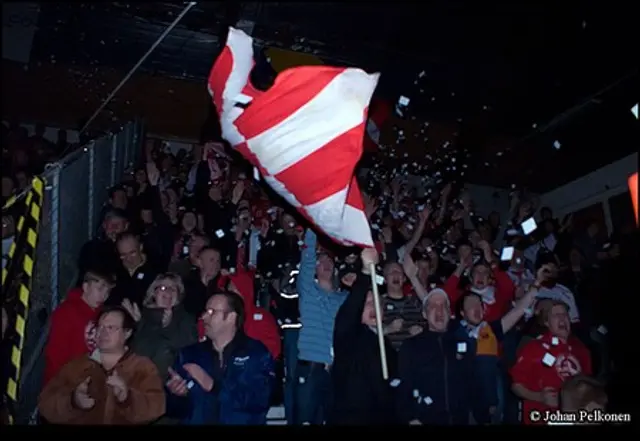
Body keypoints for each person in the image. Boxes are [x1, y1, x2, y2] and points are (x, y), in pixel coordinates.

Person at [38, 306, 165, 424]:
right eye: (100, 327)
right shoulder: (77, 366)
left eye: (111, 328)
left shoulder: (141, 367)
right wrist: (73, 401)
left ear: (127, 333)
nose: (103, 333)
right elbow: (46, 404)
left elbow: (157, 407)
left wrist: (127, 398)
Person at [165, 291, 275, 425]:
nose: (204, 317)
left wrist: (214, 386)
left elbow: (260, 400)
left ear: (231, 317)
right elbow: (175, 412)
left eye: (212, 312)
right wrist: (176, 395)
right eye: (205, 311)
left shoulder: (255, 353)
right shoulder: (189, 355)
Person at [329, 248, 398, 425]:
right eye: (367, 303)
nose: (373, 307)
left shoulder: (388, 347)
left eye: (377, 303)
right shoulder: (348, 335)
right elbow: (351, 309)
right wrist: (366, 272)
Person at [510, 300, 592, 424]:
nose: (562, 318)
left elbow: (589, 386)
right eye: (556, 315)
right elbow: (516, 386)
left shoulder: (581, 350)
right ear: (546, 322)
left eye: (565, 315)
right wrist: (539, 397)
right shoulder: (533, 348)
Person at [44, 269, 115, 384]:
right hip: (64, 384)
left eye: (107, 292)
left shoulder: (101, 314)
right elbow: (55, 353)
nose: (103, 296)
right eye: (100, 289)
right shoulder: (66, 312)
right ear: (86, 287)